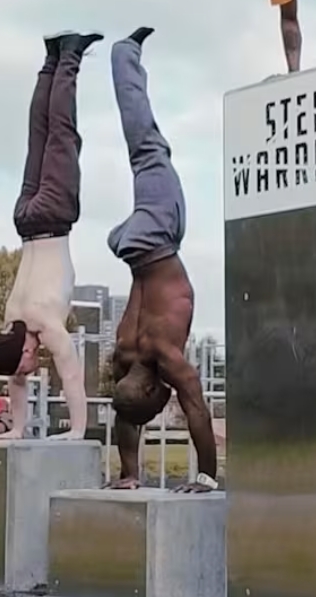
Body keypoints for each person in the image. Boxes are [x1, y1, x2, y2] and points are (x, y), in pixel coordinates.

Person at [102, 27, 219, 493]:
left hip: (155, 236)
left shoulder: (163, 356)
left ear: (153, 388)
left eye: (156, 406)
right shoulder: (123, 357)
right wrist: (130, 473)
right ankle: (120, 60)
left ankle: (123, 55)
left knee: (146, 147)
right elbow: (126, 415)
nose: (162, 407)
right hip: (133, 248)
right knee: (145, 155)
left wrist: (208, 476)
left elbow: (197, 407)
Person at [0, 31, 98, 440]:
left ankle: (70, 56)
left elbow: (71, 372)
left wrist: (78, 430)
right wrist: (16, 429)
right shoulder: (12, 319)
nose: (30, 371)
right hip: (25, 219)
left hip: (54, 216)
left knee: (61, 133)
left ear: (26, 349)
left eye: (27, 363)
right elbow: (14, 382)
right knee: (38, 137)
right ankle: (51, 59)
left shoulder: (45, 324)